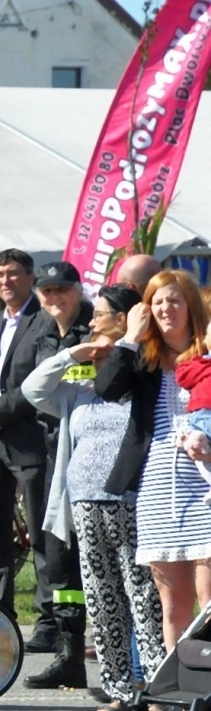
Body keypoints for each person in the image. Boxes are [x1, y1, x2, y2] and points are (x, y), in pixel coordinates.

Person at [23, 284, 165, 704]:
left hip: (131, 500)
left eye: (99, 314)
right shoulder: (81, 385)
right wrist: (70, 355)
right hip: (84, 502)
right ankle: (119, 688)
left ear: (124, 322)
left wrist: (126, 343)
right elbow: (34, 391)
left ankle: (155, 687)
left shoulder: (145, 372)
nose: (89, 322)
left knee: (142, 595)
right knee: (102, 598)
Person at [95, 270, 211, 679]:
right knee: (173, 604)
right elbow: (106, 388)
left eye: (175, 300)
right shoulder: (142, 359)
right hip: (159, 488)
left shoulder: (208, 353)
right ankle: (183, 701)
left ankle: (206, 697)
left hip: (206, 485)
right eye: (158, 301)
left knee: (208, 599)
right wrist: (129, 336)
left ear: (191, 306)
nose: (166, 309)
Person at [0, 248, 75, 654]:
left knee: (43, 537)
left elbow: (41, 381)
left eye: (12, 274)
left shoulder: (44, 320)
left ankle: (46, 623)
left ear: (30, 278)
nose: (5, 281)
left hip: (29, 440)